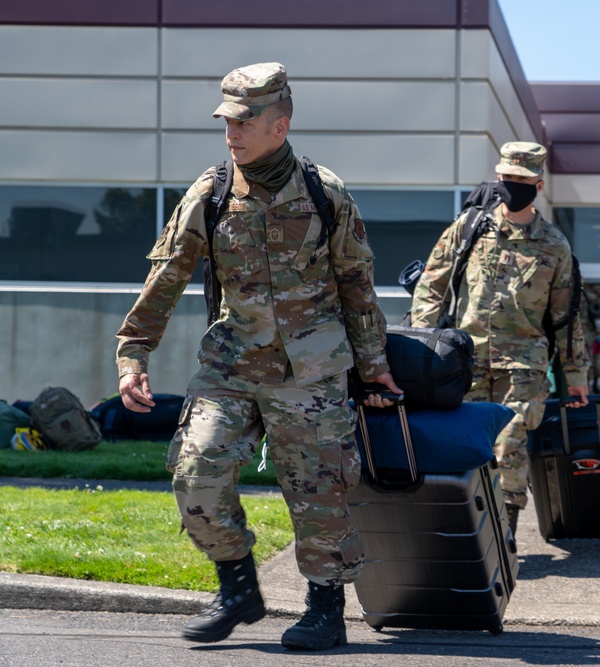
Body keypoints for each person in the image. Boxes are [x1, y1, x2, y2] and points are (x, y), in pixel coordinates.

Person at [115, 62, 401, 650]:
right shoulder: (211, 191)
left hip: (313, 371)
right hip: (232, 364)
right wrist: (133, 355)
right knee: (195, 472)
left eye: (243, 121)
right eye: (225, 121)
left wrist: (373, 369)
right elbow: (165, 279)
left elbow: (356, 285)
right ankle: (238, 586)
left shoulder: (326, 193)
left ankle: (325, 609)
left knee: (320, 495)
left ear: (280, 124)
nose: (231, 133)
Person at [409, 141, 589, 534]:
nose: (511, 186)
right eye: (505, 178)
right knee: (465, 445)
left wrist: (576, 377)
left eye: (520, 181)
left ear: (538, 186)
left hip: (523, 365)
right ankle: (467, 529)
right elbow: (431, 286)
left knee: (509, 446)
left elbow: (566, 317)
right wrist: (420, 343)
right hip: (466, 359)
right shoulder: (470, 229)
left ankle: (503, 533)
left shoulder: (554, 245)